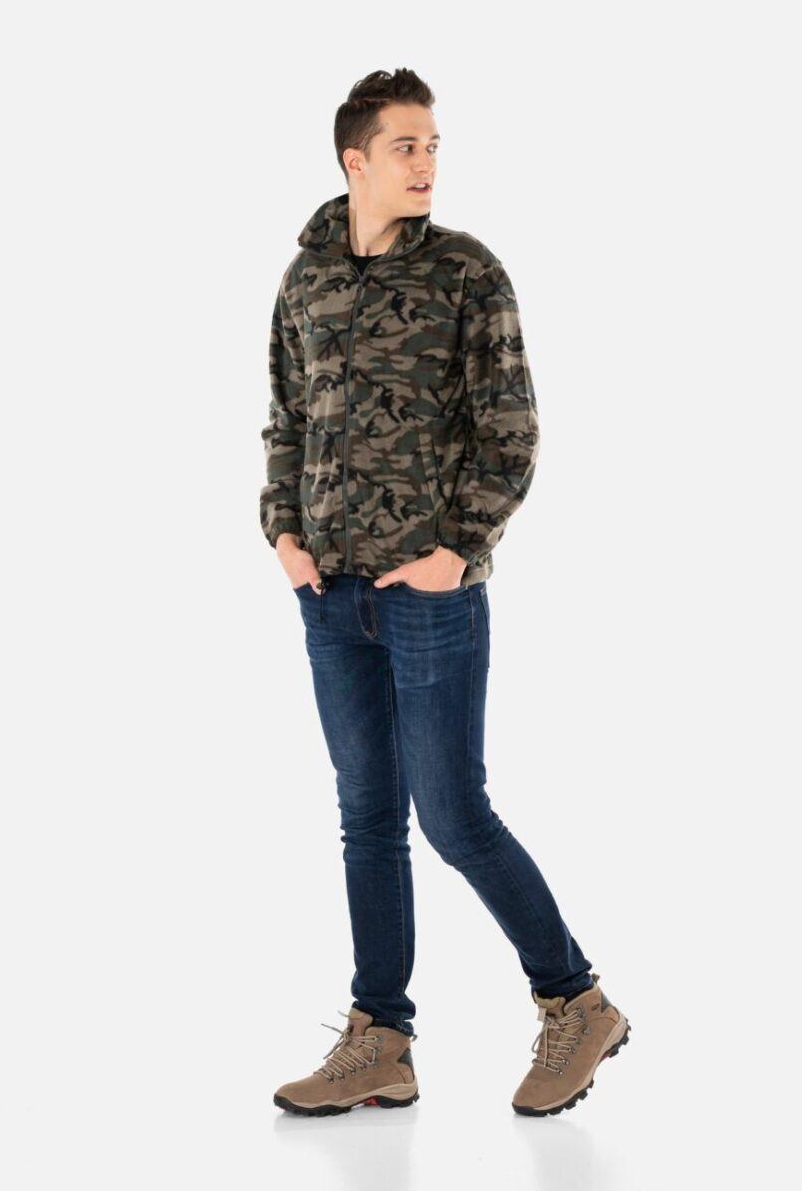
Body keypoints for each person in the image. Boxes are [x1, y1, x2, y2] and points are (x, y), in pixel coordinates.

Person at [260, 68, 629, 1118]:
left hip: (429, 594)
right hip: (330, 595)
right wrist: (282, 530)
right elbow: (285, 413)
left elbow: (512, 427)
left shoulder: (466, 273)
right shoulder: (305, 278)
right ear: (356, 160)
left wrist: (457, 549)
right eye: (405, 146)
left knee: (453, 814)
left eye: (432, 145)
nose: (425, 162)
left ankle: (577, 1001)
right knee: (367, 819)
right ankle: (380, 1036)